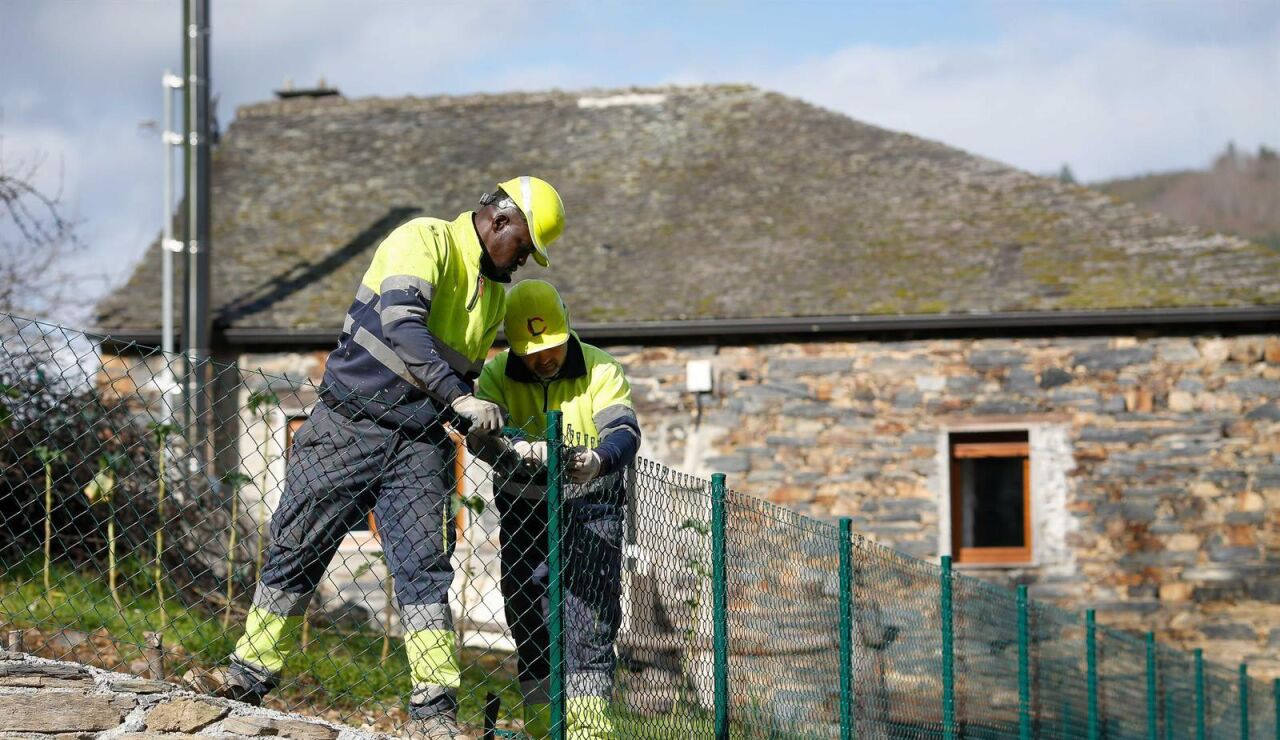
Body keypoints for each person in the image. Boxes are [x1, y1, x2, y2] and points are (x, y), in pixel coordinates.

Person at [187, 178, 566, 740]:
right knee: (298, 547)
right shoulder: (425, 240)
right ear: (502, 223)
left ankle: (434, 711)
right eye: (527, 248)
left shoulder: (493, 298)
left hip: (417, 445)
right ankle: (248, 675)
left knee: (425, 571)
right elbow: (402, 326)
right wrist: (459, 395)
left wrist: (480, 423)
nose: (525, 262)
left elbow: (454, 380)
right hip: (348, 425)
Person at [468, 279, 641, 739]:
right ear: (514, 347)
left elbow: (624, 430)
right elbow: (478, 435)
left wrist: (597, 459)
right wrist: (515, 450)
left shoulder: (601, 369)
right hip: (524, 512)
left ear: (567, 331)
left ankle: (588, 732)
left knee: (591, 619)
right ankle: (543, 730)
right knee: (529, 618)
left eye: (553, 347)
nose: (544, 358)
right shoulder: (496, 373)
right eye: (532, 351)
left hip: (593, 506)